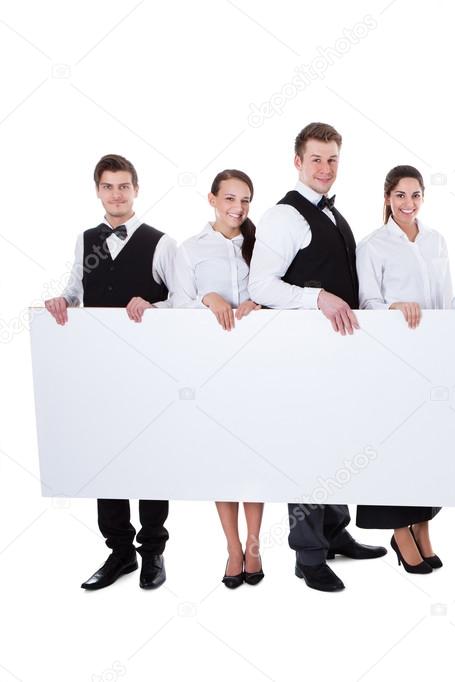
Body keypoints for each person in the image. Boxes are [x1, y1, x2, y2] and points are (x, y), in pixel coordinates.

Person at [248, 122, 385, 592]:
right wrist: (317, 299)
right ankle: (307, 555)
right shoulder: (283, 216)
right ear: (297, 162)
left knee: (338, 439)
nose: (325, 169)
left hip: (338, 352)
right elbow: (260, 285)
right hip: (301, 354)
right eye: (316, 160)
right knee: (306, 445)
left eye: (332, 160)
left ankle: (333, 531)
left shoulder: (332, 212)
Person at [44, 153, 175, 590]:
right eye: (107, 186)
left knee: (152, 459)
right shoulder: (85, 240)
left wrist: (154, 304)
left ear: (136, 189)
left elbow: (184, 301)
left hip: (150, 372)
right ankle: (119, 552)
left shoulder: (161, 242)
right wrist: (61, 300)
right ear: (98, 191)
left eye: (123, 186)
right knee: (108, 458)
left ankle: (153, 552)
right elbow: (75, 291)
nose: (116, 194)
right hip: (100, 372)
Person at [354, 165, 451, 574]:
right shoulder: (373, 245)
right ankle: (398, 530)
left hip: (430, 355)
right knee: (392, 446)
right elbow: (367, 302)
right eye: (400, 196)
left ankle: (423, 525)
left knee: (424, 447)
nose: (407, 204)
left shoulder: (436, 240)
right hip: (392, 358)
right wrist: (395, 308)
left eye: (415, 195)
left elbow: (444, 298)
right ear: (387, 199)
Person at [171, 169, 265, 587]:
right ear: (212, 199)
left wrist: (259, 302)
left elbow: (276, 288)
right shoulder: (189, 249)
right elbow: (175, 304)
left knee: (255, 458)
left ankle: (256, 544)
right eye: (229, 199)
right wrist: (207, 298)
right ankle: (232, 547)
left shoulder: (259, 246)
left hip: (255, 366)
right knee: (221, 461)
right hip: (208, 369)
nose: (237, 208)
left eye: (244, 201)